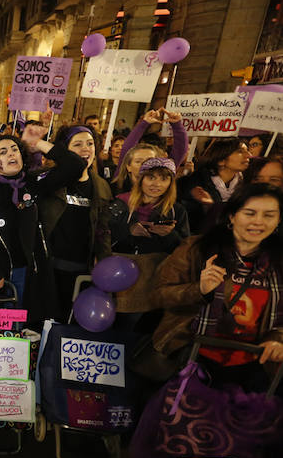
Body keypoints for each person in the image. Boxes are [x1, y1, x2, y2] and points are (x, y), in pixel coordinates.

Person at [152, 183, 283, 392]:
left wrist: (277, 340)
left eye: (269, 215)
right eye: (250, 213)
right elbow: (159, 296)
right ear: (231, 216)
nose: (258, 222)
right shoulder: (196, 249)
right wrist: (199, 290)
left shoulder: (278, 264)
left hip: (252, 367)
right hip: (191, 356)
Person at [0, 115, 87, 323]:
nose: (11, 154)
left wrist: (37, 143)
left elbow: (75, 165)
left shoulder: (33, 183)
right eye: (3, 152)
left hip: (30, 275)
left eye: (15, 150)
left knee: (23, 334)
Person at [40, 125, 113, 321]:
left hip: (81, 271)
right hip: (48, 269)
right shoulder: (51, 180)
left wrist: (104, 264)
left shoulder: (102, 186)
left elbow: (102, 230)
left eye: (90, 144)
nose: (85, 149)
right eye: (77, 144)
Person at [109, 157, 190, 256]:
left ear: (170, 184)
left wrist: (169, 235)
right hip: (120, 265)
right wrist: (128, 230)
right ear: (141, 179)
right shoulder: (120, 204)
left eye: (164, 179)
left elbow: (185, 249)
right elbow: (102, 237)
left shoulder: (176, 211)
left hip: (158, 268)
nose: (157, 184)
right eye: (151, 178)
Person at [181, 138, 251, 233]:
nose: (249, 155)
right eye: (240, 151)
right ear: (221, 160)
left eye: (247, 151)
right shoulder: (195, 183)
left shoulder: (248, 185)